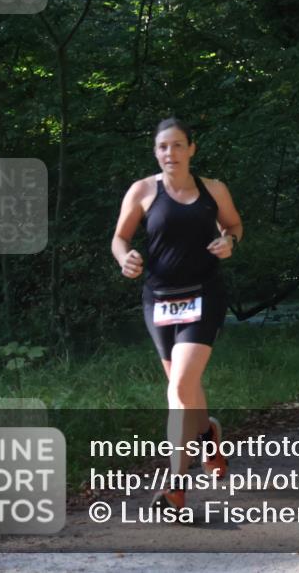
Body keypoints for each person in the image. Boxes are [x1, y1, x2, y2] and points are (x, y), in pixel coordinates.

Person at [111, 117, 243, 509]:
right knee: (186, 389)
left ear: (191, 149)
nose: (171, 153)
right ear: (156, 153)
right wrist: (125, 259)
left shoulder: (213, 190)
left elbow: (233, 225)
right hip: (159, 300)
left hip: (204, 294)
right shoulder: (142, 191)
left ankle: (174, 484)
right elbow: (120, 238)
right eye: (163, 147)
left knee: (178, 388)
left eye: (178, 145)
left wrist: (228, 241)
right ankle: (207, 437)